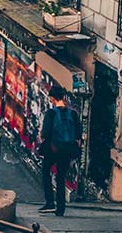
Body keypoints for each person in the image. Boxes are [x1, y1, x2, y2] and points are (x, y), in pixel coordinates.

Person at [38, 87, 82, 216]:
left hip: (53, 148)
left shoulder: (51, 113)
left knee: (46, 171)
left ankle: (50, 202)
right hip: (67, 149)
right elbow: (78, 134)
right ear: (64, 97)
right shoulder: (73, 114)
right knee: (61, 177)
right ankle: (61, 208)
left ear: (52, 98)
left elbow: (45, 133)